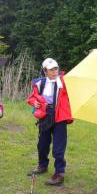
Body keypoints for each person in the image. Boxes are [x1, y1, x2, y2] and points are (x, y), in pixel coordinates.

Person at [27, 58, 73, 186]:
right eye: (51, 70)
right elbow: (32, 98)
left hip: (60, 117)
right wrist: (34, 103)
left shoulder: (64, 82)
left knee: (58, 147)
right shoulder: (40, 83)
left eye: (56, 69)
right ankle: (42, 166)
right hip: (45, 116)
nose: (54, 72)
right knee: (42, 144)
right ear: (45, 71)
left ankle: (59, 173)